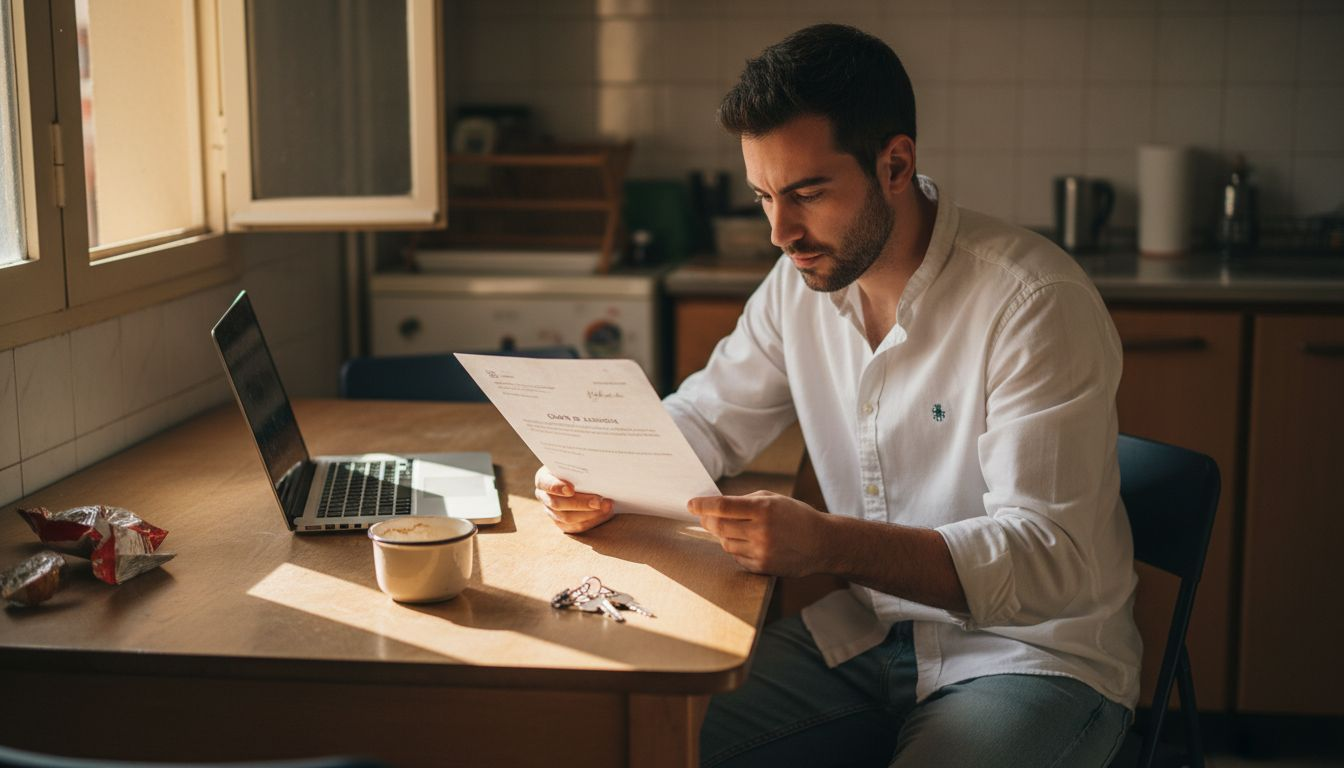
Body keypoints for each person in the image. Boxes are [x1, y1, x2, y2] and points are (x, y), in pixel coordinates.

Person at [534, 23, 1140, 768]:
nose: (779, 233)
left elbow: (1051, 561)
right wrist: (598, 468)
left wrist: (828, 543)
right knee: (627, 737)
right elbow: (707, 417)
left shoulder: (1033, 300)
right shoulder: (799, 286)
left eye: (806, 194)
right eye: (762, 197)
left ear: (895, 164)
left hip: (1031, 659)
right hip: (863, 637)